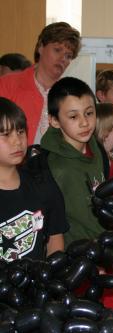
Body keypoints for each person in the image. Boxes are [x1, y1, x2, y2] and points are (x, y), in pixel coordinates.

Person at [41, 77, 107, 247]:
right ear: (54, 120)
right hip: (77, 255)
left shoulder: (96, 148)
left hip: (103, 243)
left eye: (89, 113)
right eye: (73, 116)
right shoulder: (56, 168)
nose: (84, 122)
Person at [0, 97, 68, 261]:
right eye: (6, 134)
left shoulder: (41, 183)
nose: (17, 141)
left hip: (37, 284)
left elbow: (55, 238)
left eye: (21, 131)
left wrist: (50, 278)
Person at [0, 22, 81, 145]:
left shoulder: (71, 95)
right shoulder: (7, 85)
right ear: (41, 47)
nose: (63, 59)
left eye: (68, 56)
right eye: (57, 50)